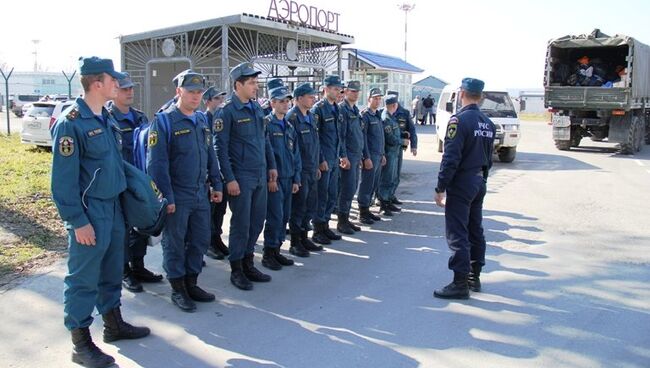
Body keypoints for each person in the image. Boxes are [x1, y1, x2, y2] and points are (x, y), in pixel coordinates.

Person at [51, 56, 149, 368]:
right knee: (83, 278)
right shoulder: (72, 122)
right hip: (89, 211)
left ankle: (113, 324)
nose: (118, 84)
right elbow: (62, 183)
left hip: (113, 207)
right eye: (113, 80)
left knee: (111, 270)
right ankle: (80, 343)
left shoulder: (104, 118)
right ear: (97, 83)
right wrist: (77, 221)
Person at [147, 70, 223, 312]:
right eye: (191, 92)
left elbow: (210, 153)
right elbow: (156, 165)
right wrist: (166, 197)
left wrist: (217, 183)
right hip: (177, 194)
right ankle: (178, 288)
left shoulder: (201, 119)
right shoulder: (164, 121)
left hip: (201, 192)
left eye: (199, 92)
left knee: (200, 239)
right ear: (179, 91)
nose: (196, 96)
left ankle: (192, 282)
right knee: (175, 242)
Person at [216, 62, 278, 290]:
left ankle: (249, 262)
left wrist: (271, 166)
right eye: (251, 82)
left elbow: (265, 140)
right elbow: (219, 149)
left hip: (260, 174)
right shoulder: (227, 112)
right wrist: (229, 178)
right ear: (237, 84)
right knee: (241, 224)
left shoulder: (256, 108)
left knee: (256, 222)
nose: (256, 86)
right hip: (241, 177)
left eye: (255, 82)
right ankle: (237, 269)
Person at [433, 78, 496, 300]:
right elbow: (489, 158)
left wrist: (441, 186)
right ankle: (474, 276)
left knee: (457, 231)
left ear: (462, 93)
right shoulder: (487, 123)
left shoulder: (459, 121)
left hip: (462, 182)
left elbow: (450, 158)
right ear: (480, 96)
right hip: (479, 180)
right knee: (474, 228)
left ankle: (460, 282)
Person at [107, 72, 163, 293]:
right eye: (124, 89)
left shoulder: (140, 117)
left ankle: (138, 266)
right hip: (119, 183)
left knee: (140, 225)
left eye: (131, 88)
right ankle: (124, 271)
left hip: (138, 180)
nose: (129, 92)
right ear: (114, 91)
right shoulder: (108, 118)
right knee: (122, 229)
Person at [262, 85, 302, 269]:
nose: (285, 104)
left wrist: (296, 178)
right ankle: (268, 253)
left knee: (284, 216)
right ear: (272, 103)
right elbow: (265, 155)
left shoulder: (289, 126)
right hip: (275, 181)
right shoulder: (267, 125)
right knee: (275, 217)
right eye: (281, 101)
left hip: (288, 178)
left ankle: (277, 250)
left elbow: (296, 155)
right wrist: (270, 179)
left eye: (287, 101)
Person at [287, 83, 322, 256]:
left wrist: (317, 165)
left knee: (310, 206)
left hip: (311, 169)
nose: (313, 98)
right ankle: (295, 242)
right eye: (309, 96)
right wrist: (296, 175)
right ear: (299, 98)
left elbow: (315, 144)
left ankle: (304, 237)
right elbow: (292, 150)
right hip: (300, 171)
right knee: (298, 208)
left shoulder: (311, 116)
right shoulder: (292, 118)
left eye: (313, 96)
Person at [310, 75, 345, 244]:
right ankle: (317, 229)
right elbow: (315, 138)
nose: (338, 92)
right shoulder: (318, 109)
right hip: (324, 160)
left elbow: (340, 135)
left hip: (334, 158)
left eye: (339, 89)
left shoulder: (336, 108)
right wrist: (320, 160)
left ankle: (325, 225)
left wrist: (342, 155)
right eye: (335, 89)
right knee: (321, 195)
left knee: (332, 194)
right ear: (326, 89)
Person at [201, 86, 230, 261]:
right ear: (208, 101)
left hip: (222, 173)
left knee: (221, 208)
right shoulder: (203, 120)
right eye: (217, 99)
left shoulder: (222, 118)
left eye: (221, 99)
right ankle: (209, 243)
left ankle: (217, 237)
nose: (220, 102)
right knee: (209, 210)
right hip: (209, 173)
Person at [337, 80, 365, 235]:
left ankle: (346, 219)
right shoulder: (343, 110)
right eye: (352, 91)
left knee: (353, 187)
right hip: (348, 155)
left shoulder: (354, 110)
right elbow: (341, 136)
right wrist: (343, 156)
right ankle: (341, 221)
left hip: (356, 154)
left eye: (357, 91)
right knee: (347, 188)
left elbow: (358, 134)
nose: (355, 94)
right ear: (345, 91)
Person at [357, 87, 385, 224]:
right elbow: (363, 138)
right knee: (366, 183)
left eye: (380, 99)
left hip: (378, 155)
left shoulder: (378, 115)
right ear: (369, 99)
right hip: (370, 155)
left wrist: (383, 154)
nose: (378, 101)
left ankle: (367, 209)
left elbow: (381, 137)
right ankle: (362, 212)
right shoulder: (365, 115)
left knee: (374, 183)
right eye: (375, 98)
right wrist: (366, 157)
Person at [386, 90, 417, 209]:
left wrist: (414, 146)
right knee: (386, 175)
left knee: (396, 175)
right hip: (387, 148)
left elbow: (412, 129)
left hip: (398, 148)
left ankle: (391, 195)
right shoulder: (383, 113)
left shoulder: (404, 112)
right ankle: (383, 197)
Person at [377, 95, 402, 216]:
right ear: (394, 105)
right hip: (389, 152)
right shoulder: (386, 118)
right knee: (386, 179)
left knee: (392, 178)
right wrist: (402, 141)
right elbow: (390, 138)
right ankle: (383, 203)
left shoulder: (391, 117)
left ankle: (388, 200)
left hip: (394, 152)